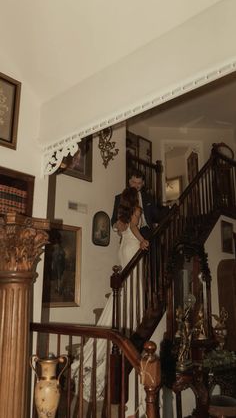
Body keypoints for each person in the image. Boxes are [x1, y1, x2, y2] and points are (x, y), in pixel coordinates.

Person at [71, 187, 148, 403]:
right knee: (133, 284)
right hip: (132, 247)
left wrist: (134, 238)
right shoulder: (136, 211)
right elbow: (134, 227)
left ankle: (89, 361)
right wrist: (142, 240)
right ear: (135, 199)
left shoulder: (121, 217)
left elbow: (121, 228)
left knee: (126, 285)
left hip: (124, 250)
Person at [111, 169, 169, 239]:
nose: (136, 185)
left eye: (139, 183)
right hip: (128, 234)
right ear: (129, 181)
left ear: (143, 183)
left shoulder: (148, 197)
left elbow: (157, 216)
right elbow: (114, 219)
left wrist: (169, 206)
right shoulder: (120, 198)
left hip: (146, 233)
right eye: (134, 182)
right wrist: (117, 226)